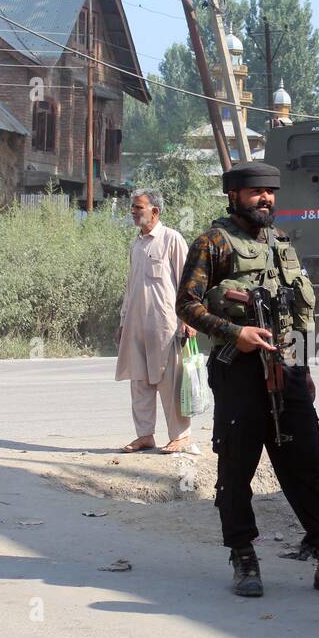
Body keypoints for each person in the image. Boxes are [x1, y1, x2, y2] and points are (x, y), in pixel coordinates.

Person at [175, 161, 319, 599]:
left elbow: (297, 313)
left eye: (270, 193)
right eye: (255, 193)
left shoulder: (281, 243)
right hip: (238, 371)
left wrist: (303, 369)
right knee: (236, 467)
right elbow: (187, 305)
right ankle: (244, 556)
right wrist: (235, 333)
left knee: (306, 463)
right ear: (234, 196)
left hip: (286, 370)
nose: (265, 200)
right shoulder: (212, 242)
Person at [115, 188, 196, 454]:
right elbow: (130, 287)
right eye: (133, 207)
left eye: (138, 207)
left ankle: (181, 436)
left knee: (169, 381)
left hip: (165, 324)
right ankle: (144, 435)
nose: (133, 212)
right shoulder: (136, 245)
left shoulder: (172, 239)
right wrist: (123, 321)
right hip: (136, 324)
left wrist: (189, 319)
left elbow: (189, 283)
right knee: (139, 380)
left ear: (155, 211)